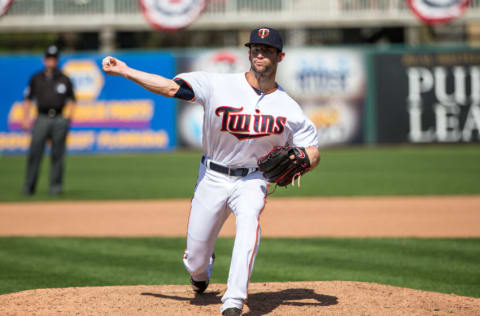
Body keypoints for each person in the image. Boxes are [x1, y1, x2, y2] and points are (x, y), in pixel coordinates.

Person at [102, 27, 320, 316]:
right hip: (213, 176)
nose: (259, 53)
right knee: (195, 258)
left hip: (253, 179)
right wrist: (127, 71)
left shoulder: (288, 107)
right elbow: (169, 87)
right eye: (255, 48)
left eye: (266, 50)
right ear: (248, 52)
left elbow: (312, 150)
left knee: (249, 224)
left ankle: (233, 301)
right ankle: (201, 273)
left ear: (280, 56)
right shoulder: (217, 84)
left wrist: (304, 157)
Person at [22, 45, 76, 196]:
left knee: (58, 154)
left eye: (54, 58)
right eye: (49, 58)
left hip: (59, 118)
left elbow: (72, 99)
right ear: (44, 60)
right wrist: (25, 117)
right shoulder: (36, 78)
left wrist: (68, 117)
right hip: (42, 117)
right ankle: (29, 186)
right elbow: (27, 99)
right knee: (35, 153)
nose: (51, 61)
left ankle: (55, 188)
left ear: (57, 60)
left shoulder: (64, 78)